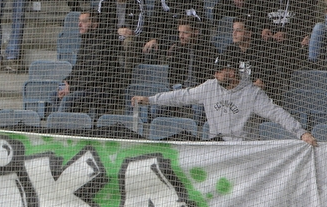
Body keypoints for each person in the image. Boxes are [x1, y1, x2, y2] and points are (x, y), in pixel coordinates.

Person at [132, 55, 317, 144]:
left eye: (220, 71)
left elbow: (277, 113)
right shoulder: (210, 87)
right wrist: (150, 100)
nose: (216, 74)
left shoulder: (252, 93)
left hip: (243, 148)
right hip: (217, 147)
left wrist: (301, 133)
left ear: (231, 72)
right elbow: (181, 96)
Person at [56, 10, 123, 115]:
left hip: (100, 91)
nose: (79, 25)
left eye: (84, 21)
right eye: (79, 21)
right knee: (54, 96)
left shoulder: (104, 43)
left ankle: (57, 129)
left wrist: (72, 87)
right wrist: (66, 82)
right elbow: (78, 67)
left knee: (67, 100)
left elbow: (95, 75)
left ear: (95, 24)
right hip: (82, 86)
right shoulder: (86, 40)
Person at [164, 17, 216, 91]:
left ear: (196, 32)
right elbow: (172, 78)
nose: (181, 36)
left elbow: (210, 77)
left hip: (201, 92)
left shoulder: (209, 50)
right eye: (179, 32)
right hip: (181, 92)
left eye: (185, 33)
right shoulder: (176, 50)